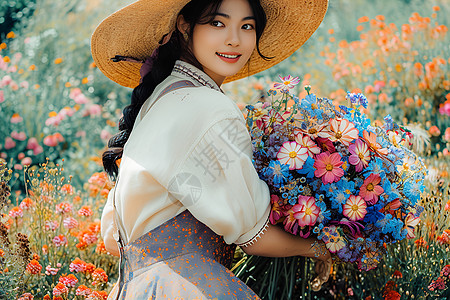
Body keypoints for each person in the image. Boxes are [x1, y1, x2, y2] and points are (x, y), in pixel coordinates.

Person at [91, 0, 330, 298]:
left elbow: (113, 240)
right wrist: (323, 247)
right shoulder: (209, 107)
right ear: (184, 25)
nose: (234, 39)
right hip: (187, 287)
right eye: (218, 23)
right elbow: (253, 236)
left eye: (247, 26)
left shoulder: (161, 98)